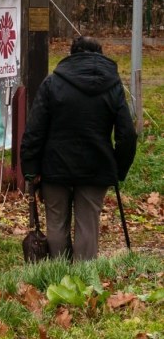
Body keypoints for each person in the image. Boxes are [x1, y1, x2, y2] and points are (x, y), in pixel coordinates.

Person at [21, 36, 137, 261]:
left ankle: (59, 277)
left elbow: (34, 131)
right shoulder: (113, 85)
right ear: (100, 54)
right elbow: (127, 135)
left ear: (71, 54)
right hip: (96, 165)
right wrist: (118, 168)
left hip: (55, 166)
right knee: (88, 226)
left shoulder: (52, 83)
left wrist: (30, 168)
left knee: (56, 222)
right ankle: (85, 283)